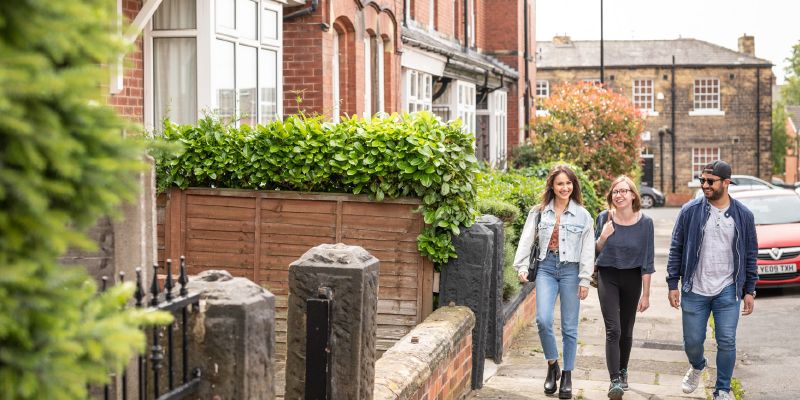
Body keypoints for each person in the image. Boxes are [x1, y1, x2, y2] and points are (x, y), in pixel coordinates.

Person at [666, 160, 758, 400]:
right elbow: (676, 247)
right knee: (692, 341)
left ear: (726, 183)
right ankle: (698, 365)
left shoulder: (743, 215)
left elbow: (750, 254)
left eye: (710, 181)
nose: (704, 185)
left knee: (727, 340)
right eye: (702, 180)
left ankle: (723, 389)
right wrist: (672, 283)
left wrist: (750, 289)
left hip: (727, 289)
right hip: (695, 288)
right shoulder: (690, 211)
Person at [514, 165, 595, 400]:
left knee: (570, 327)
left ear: (574, 186)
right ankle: (552, 364)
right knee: (543, 319)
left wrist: (584, 279)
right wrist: (521, 266)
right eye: (560, 183)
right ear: (552, 185)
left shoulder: (583, 215)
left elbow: (588, 250)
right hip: (546, 268)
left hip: (571, 270)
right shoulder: (539, 212)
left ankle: (567, 375)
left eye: (568, 183)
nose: (564, 188)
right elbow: (526, 239)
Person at [594, 176, 655, 400]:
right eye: (615, 192)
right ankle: (614, 381)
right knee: (614, 329)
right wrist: (603, 236)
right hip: (608, 275)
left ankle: (623, 370)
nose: (619, 195)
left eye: (624, 191)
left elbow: (648, 262)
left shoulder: (645, 223)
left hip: (632, 278)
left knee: (627, 330)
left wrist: (646, 294)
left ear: (633, 195)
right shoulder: (604, 217)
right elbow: (594, 251)